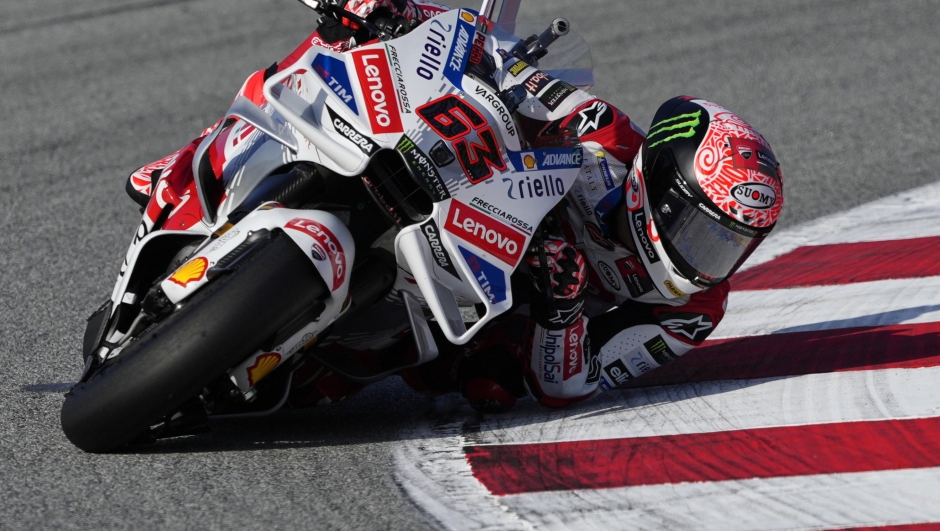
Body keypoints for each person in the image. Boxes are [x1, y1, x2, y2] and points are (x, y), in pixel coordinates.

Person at [126, 1, 784, 412]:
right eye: (700, 228)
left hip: (505, 316)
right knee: (346, 50)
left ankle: (295, 347)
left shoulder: (693, 311)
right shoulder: (603, 134)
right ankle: (202, 156)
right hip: (471, 204)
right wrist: (408, 19)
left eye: (728, 244)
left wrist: (560, 311)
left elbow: (577, 384)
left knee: (466, 381)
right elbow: (506, 71)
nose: (707, 257)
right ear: (656, 184)